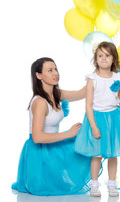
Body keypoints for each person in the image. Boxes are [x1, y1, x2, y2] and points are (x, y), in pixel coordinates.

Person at [11, 57, 94, 196]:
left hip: (54, 144)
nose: (55, 73)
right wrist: (69, 133)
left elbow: (82, 93)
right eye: (50, 70)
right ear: (38, 75)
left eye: (55, 69)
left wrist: (99, 72)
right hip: (40, 151)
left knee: (88, 137)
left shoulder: (57, 94)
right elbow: (37, 137)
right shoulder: (40, 102)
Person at [74, 42, 120, 197]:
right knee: (97, 154)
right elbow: (88, 105)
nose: (103, 59)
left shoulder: (118, 77)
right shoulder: (92, 79)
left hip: (114, 118)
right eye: (100, 56)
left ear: (113, 58)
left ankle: (112, 183)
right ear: (96, 59)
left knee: (113, 153)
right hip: (97, 118)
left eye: (107, 55)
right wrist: (94, 126)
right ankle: (94, 184)